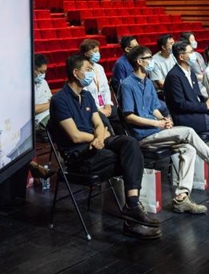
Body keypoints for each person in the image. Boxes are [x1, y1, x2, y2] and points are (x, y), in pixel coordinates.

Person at [120, 45, 209, 213]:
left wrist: (163, 119)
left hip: (157, 131)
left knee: (188, 149)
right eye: (149, 58)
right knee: (187, 131)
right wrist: (156, 124)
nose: (152, 61)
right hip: (143, 136)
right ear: (139, 61)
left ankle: (181, 197)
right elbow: (129, 116)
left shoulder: (148, 83)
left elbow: (154, 109)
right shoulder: (127, 85)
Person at [48, 55, 162, 240]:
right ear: (76, 73)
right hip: (79, 154)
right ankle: (131, 218)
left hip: (97, 142)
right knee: (126, 159)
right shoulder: (59, 99)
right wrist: (97, 138)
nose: (91, 73)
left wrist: (100, 137)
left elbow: (99, 123)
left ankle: (131, 205)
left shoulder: (86, 96)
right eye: (88, 69)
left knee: (130, 143)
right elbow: (75, 135)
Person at [79, 38, 120, 132]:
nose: (98, 54)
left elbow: (105, 88)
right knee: (103, 120)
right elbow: (84, 95)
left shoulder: (99, 68)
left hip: (104, 105)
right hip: (92, 108)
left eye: (98, 51)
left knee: (119, 114)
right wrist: (98, 109)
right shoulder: (82, 71)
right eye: (95, 51)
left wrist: (108, 104)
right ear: (86, 54)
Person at [33, 53, 52, 131]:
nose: (43, 75)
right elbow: (33, 109)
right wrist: (50, 104)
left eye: (44, 72)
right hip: (40, 120)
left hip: (50, 113)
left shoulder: (43, 82)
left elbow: (50, 99)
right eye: (40, 72)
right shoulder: (25, 87)